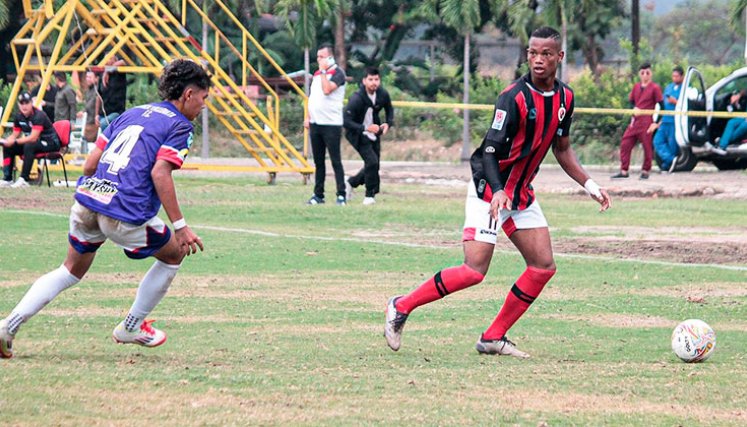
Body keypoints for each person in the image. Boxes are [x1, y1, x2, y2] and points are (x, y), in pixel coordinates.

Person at [384, 27, 611, 358]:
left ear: (559, 57)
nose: (538, 59)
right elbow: (489, 151)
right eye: (533, 53)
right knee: (474, 271)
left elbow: (562, 149)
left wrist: (590, 185)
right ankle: (400, 306)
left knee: (543, 266)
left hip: (520, 196)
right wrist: (498, 190)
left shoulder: (566, 99)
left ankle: (493, 336)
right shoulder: (513, 97)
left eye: (546, 54)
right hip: (488, 191)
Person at [0, 59, 210, 359]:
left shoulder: (130, 114)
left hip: (88, 200)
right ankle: (132, 326)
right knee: (174, 253)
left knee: (70, 270)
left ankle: (8, 326)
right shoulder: (179, 125)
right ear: (188, 94)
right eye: (203, 98)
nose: (203, 105)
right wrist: (181, 226)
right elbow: (160, 173)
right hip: (123, 210)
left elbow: (89, 164)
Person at [343, 66, 394, 205]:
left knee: (374, 165)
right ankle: (369, 196)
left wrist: (387, 124)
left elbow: (390, 110)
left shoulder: (382, 94)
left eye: (376, 79)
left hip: (374, 134)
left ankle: (350, 182)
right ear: (364, 81)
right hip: (356, 134)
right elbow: (345, 121)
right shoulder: (356, 99)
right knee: (372, 162)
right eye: (370, 79)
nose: (374, 82)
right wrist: (365, 128)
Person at [305, 43, 347, 206]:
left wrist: (323, 71)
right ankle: (318, 194)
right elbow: (313, 97)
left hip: (331, 124)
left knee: (335, 160)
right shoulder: (316, 75)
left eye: (322, 57)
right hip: (316, 123)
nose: (319, 60)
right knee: (319, 161)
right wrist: (308, 116)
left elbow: (327, 90)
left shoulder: (338, 73)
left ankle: (341, 194)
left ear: (330, 57)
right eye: (318, 57)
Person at [611, 63, 663, 180]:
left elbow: (662, 105)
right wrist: (633, 109)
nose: (645, 75)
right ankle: (624, 170)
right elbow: (631, 102)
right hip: (635, 120)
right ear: (639, 74)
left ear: (651, 74)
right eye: (642, 73)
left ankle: (646, 170)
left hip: (647, 120)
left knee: (647, 146)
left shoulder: (655, 88)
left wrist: (656, 123)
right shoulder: (636, 87)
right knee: (625, 143)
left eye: (647, 73)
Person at [0, 92, 61, 188]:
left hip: (51, 143)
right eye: (22, 103)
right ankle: (7, 178)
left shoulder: (39, 115)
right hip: (36, 143)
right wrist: (6, 141)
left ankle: (24, 179)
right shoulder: (19, 116)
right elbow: (14, 135)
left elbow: (33, 137)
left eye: (26, 103)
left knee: (30, 145)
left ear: (31, 103)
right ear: (18, 104)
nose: (24, 106)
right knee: (9, 147)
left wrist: (15, 141)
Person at [652, 66, 683, 172]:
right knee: (657, 141)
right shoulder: (668, 87)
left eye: (677, 76)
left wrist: (675, 102)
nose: (674, 78)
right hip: (665, 119)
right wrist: (659, 120)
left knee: (672, 144)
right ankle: (670, 159)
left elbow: (687, 105)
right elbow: (663, 104)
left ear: (682, 77)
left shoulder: (686, 89)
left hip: (675, 121)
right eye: (673, 76)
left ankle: (667, 166)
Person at [96, 54, 128, 132]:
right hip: (103, 112)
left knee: (104, 124)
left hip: (116, 111)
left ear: (115, 60)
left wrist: (108, 70)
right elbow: (98, 96)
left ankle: (106, 142)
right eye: (106, 59)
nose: (107, 60)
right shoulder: (101, 75)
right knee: (102, 123)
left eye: (110, 58)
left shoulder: (119, 72)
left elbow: (122, 62)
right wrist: (96, 114)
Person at [712, 90, 747, 155]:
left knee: (744, 126)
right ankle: (722, 144)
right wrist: (737, 98)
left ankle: (722, 144)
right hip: (744, 117)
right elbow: (744, 93)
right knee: (731, 122)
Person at [81, 71, 100, 144]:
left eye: (90, 77)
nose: (87, 79)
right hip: (88, 120)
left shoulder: (97, 90)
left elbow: (91, 104)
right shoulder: (89, 90)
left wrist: (83, 111)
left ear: (96, 79)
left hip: (93, 122)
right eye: (87, 77)